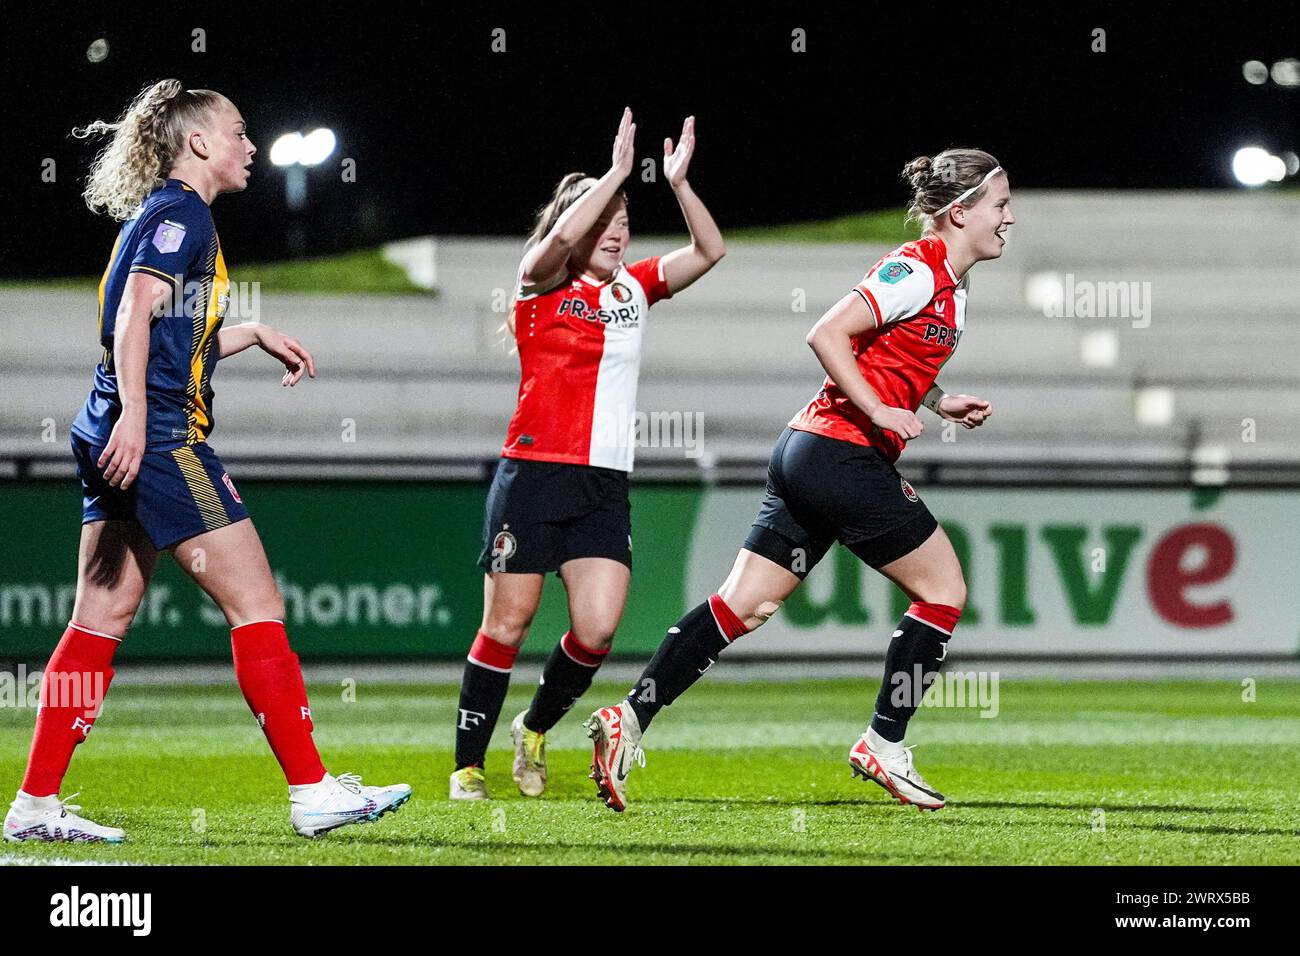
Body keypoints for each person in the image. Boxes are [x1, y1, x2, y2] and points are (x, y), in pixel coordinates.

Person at [4, 80, 411, 844]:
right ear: (198, 144)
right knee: (257, 605)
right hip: (157, 437)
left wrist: (248, 332)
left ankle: (34, 805)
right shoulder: (182, 214)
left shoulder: (161, 214)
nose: (250, 146)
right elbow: (132, 315)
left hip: (112, 428)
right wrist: (136, 415)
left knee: (98, 618)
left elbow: (166, 335)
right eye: (239, 132)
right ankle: (312, 791)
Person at [586, 149, 1015, 812]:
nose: (1009, 219)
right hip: (838, 454)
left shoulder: (948, 286)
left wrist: (936, 400)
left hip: (810, 453)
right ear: (958, 213)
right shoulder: (917, 269)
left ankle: (629, 720)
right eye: (1000, 205)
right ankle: (883, 742)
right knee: (944, 589)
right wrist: (878, 411)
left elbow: (889, 350)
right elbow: (827, 334)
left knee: (743, 605)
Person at [450, 108, 725, 799]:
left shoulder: (634, 287)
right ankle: (467, 767)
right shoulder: (540, 286)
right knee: (506, 624)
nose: (617, 232)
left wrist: (682, 183)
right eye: (604, 221)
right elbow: (555, 240)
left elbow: (710, 251)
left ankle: (534, 729)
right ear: (575, 228)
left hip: (604, 482)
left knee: (597, 630)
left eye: (624, 220)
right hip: (534, 474)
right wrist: (612, 176)